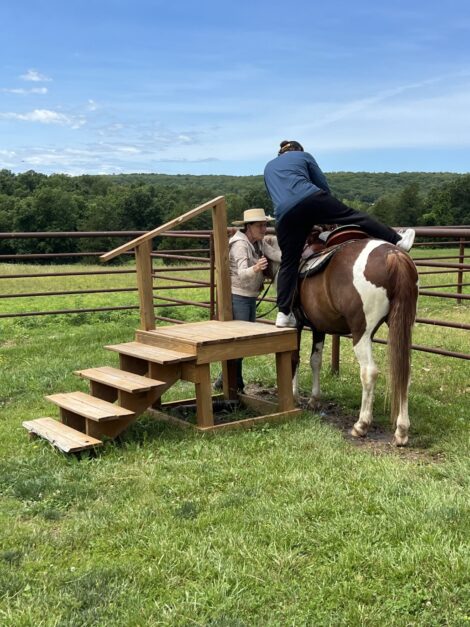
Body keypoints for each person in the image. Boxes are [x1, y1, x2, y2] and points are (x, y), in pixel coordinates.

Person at [264, 140, 416, 328]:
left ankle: (284, 313)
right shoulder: (304, 156)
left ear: (280, 154)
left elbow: (277, 196)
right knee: (353, 216)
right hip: (310, 199)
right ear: (298, 150)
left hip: (284, 214)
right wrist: (328, 211)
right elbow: (321, 184)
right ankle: (398, 240)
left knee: (289, 262)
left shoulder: (268, 167)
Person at [213, 208, 281, 392]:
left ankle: (225, 381)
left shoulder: (258, 242)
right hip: (239, 296)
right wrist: (257, 268)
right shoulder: (240, 245)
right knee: (240, 343)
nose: (264, 228)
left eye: (265, 224)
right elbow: (243, 274)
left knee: (241, 343)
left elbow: (276, 255)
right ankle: (235, 385)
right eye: (260, 225)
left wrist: (296, 256)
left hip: (247, 296)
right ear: (249, 227)